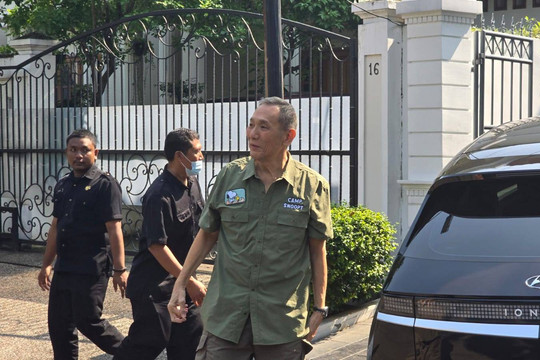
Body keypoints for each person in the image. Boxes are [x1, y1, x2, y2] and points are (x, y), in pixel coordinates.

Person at [167, 97, 333, 360]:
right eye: (251, 124)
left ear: (288, 136)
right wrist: (181, 283)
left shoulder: (311, 186)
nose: (252, 134)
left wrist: (320, 308)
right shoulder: (230, 176)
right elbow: (207, 233)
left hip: (281, 321)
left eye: (264, 127)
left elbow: (317, 250)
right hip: (227, 316)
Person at [114, 128, 206, 360]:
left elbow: (202, 227)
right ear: (179, 156)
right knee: (148, 343)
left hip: (182, 282)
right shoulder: (159, 195)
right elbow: (157, 246)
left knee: (189, 340)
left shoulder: (192, 183)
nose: (201, 157)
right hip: (154, 287)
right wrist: (189, 280)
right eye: (196, 152)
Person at [38, 129, 127, 359]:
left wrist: (119, 269)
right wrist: (47, 264)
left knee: (88, 321)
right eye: (73, 150)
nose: (78, 155)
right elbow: (56, 227)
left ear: (95, 153)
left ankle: (133, 353)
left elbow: (114, 228)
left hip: (91, 267)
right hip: (65, 266)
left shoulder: (105, 184)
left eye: (84, 150)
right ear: (66, 153)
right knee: (59, 325)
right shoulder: (63, 185)